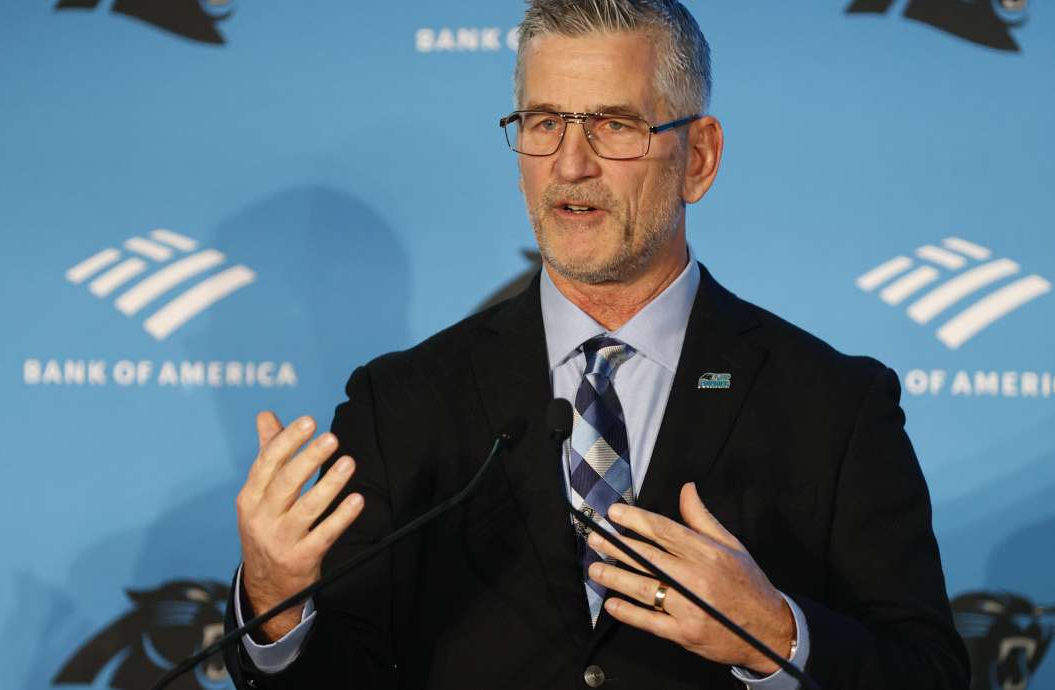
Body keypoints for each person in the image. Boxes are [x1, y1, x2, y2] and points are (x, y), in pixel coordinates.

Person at [224, 1, 970, 688]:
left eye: (614, 125)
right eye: (544, 122)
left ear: (699, 158)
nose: (570, 164)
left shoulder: (833, 406)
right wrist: (275, 599)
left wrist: (776, 635)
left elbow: (930, 672)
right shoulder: (403, 404)